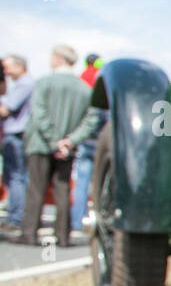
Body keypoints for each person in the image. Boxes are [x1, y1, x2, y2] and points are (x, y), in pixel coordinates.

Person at [12, 45, 100, 247]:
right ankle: (63, 235)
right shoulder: (84, 89)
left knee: (36, 189)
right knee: (62, 190)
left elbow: (39, 112)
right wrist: (70, 141)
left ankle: (29, 232)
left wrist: (54, 141)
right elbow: (91, 119)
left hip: (41, 143)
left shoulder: (44, 82)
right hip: (67, 148)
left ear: (58, 59)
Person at [71, 53, 107, 238]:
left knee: (82, 182)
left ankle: (78, 221)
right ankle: (100, 220)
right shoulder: (101, 78)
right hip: (102, 141)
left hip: (86, 140)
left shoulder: (83, 78)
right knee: (102, 183)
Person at [0, 54, 33, 231]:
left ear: (20, 66)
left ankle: (16, 218)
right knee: (15, 177)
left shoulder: (24, 84)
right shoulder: (22, 84)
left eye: (8, 67)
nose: (5, 71)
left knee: (16, 178)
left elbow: (6, 109)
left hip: (17, 135)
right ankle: (17, 216)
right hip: (15, 135)